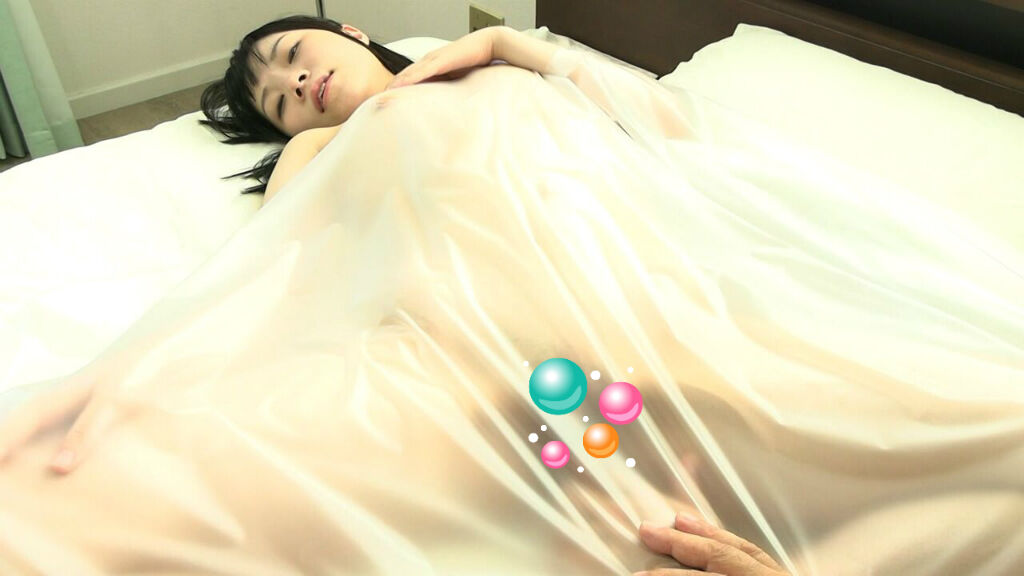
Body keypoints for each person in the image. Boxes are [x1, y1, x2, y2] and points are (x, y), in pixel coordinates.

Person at [1, 14, 792, 576]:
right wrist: (140, 364)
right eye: (276, 100)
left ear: (348, 31)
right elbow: (264, 266)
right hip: (447, 356)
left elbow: (671, 127)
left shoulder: (505, 72)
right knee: (75, 490)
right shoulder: (321, 147)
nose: (293, 82)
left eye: (291, 54)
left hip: (631, 310)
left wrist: (511, 44)